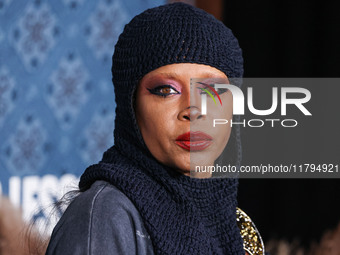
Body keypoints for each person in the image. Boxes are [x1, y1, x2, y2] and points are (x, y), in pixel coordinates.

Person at [46, 2, 263, 255]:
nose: (193, 110)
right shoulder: (106, 215)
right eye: (166, 90)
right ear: (131, 106)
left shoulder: (231, 222)